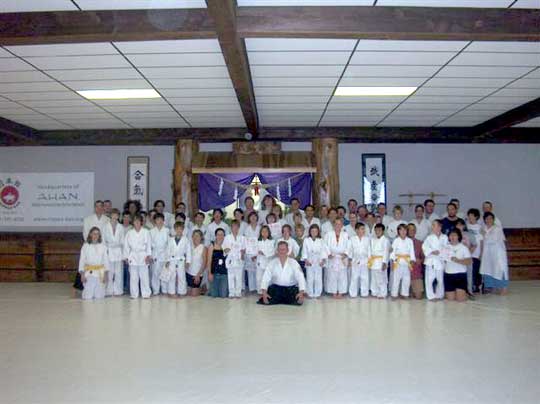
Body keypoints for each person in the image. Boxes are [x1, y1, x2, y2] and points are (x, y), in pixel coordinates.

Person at [258, 241, 306, 306]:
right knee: (267, 300)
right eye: (280, 249)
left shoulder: (293, 262)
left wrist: (301, 293)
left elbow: (300, 278)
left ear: (287, 250)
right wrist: (264, 293)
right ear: (277, 250)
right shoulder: (272, 263)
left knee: (298, 301)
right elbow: (265, 278)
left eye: (283, 249)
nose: (281, 251)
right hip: (276, 289)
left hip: (290, 289)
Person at [123, 215, 152, 299]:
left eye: (138, 221)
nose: (137, 223)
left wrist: (148, 256)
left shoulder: (146, 232)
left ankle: (146, 293)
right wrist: (126, 257)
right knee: (133, 277)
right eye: (135, 221)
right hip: (133, 255)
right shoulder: (129, 233)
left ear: (141, 222)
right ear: (133, 223)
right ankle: (134, 294)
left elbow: (149, 245)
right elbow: (126, 246)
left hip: (143, 255)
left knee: (144, 276)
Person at [480, 212, 509, 295]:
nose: (489, 220)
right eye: (487, 218)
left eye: (490, 218)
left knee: (500, 268)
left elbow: (493, 240)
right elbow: (481, 241)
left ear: (493, 219)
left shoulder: (497, 228)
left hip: (498, 253)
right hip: (487, 253)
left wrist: (485, 235)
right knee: (488, 269)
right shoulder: (483, 228)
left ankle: (504, 287)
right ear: (484, 220)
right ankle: (492, 287)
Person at [78, 227, 109, 300]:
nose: (95, 236)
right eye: (94, 234)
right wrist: (82, 275)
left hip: (100, 272)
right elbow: (82, 260)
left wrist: (106, 275)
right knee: (88, 296)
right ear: (90, 234)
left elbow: (106, 261)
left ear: (99, 236)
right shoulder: (85, 246)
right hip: (89, 273)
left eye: (97, 234)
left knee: (99, 296)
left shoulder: (103, 247)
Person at [163, 222, 191, 297]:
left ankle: (181, 292)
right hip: (172, 260)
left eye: (180, 229)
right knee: (172, 276)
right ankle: (171, 292)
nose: (179, 230)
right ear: (175, 229)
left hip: (181, 260)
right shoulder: (171, 239)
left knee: (181, 276)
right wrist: (167, 260)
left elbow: (188, 251)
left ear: (183, 230)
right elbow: (167, 251)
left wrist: (188, 262)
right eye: (177, 229)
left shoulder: (186, 240)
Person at [422, 219, 448, 301]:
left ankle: (439, 295)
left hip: (440, 260)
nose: (432, 227)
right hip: (431, 260)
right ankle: (430, 296)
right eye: (432, 225)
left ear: (440, 227)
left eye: (434, 225)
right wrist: (432, 251)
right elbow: (424, 247)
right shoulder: (429, 237)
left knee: (440, 279)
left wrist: (440, 252)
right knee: (429, 279)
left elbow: (447, 248)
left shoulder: (445, 237)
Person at [324, 218, 350, 298]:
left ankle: (341, 292)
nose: (338, 226)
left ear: (342, 225)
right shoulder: (328, 234)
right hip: (332, 257)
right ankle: (333, 292)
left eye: (339, 224)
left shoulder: (345, 234)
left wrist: (346, 254)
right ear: (333, 225)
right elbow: (325, 245)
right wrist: (328, 254)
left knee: (342, 275)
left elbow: (349, 246)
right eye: (336, 224)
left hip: (342, 257)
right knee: (332, 275)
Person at [444, 229, 472, 302]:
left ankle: (467, 294)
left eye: (455, 235)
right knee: (450, 300)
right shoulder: (445, 247)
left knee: (460, 300)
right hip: (448, 275)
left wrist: (458, 260)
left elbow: (469, 261)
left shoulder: (463, 248)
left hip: (460, 275)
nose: (452, 237)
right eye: (451, 235)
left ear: (458, 236)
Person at [390, 224, 416, 299]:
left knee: (406, 279)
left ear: (407, 231)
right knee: (396, 279)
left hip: (407, 262)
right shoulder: (396, 240)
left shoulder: (410, 241)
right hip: (397, 262)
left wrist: (412, 260)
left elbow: (412, 252)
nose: (403, 231)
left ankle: (405, 294)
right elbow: (392, 252)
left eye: (404, 230)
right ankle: (394, 294)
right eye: (401, 230)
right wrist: (392, 262)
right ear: (398, 231)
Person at [103, 209, 125, 296]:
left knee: (118, 272)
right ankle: (108, 290)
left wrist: (124, 255)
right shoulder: (105, 227)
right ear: (110, 215)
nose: (115, 216)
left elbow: (123, 241)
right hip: (109, 250)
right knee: (110, 272)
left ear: (118, 216)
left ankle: (118, 291)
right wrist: (105, 252)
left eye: (117, 215)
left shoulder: (121, 227)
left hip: (118, 251)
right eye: (113, 215)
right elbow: (103, 241)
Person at [301, 224, 327, 298]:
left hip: (318, 260)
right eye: (312, 231)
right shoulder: (306, 240)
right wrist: (306, 260)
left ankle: (318, 293)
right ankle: (310, 293)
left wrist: (323, 260)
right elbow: (304, 250)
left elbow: (324, 251)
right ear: (310, 231)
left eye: (316, 231)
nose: (314, 232)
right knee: (310, 278)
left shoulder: (321, 240)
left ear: (318, 232)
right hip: (309, 260)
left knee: (318, 278)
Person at [223, 220, 246, 298]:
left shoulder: (242, 238)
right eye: (233, 226)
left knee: (239, 277)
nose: (235, 228)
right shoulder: (227, 237)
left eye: (237, 227)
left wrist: (243, 253)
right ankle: (231, 292)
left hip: (239, 259)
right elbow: (224, 248)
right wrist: (226, 250)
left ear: (239, 228)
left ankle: (238, 292)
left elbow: (244, 248)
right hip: (230, 259)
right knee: (231, 277)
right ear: (231, 228)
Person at [348, 222, 370, 298]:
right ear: (356, 230)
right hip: (355, 260)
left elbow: (369, 250)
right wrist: (350, 260)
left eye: (364, 229)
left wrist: (370, 260)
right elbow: (349, 250)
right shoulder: (352, 239)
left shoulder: (367, 239)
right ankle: (353, 293)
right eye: (362, 229)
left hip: (365, 260)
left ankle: (364, 293)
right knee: (354, 277)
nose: (363, 230)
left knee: (365, 277)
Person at [149, 213, 170, 295]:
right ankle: (156, 290)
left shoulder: (167, 231)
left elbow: (169, 245)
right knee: (155, 273)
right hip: (155, 253)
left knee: (164, 272)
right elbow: (149, 246)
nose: (159, 221)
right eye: (157, 219)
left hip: (165, 253)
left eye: (161, 219)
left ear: (163, 221)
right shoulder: (151, 231)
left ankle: (164, 290)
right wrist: (150, 256)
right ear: (155, 221)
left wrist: (168, 258)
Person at [456, 218, 477, 296]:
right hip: (457, 259)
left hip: (467, 259)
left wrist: (469, 253)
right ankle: (459, 291)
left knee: (469, 275)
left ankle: (470, 291)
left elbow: (474, 245)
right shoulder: (453, 234)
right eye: (457, 225)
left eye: (461, 225)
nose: (459, 226)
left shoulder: (469, 234)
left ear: (464, 226)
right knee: (458, 275)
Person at [369, 224, 390, 298]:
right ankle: (375, 292)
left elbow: (386, 252)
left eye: (379, 230)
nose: (377, 232)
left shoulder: (385, 240)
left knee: (381, 278)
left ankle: (383, 293)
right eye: (376, 230)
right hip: (373, 261)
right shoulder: (372, 239)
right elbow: (370, 251)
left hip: (381, 261)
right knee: (374, 277)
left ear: (383, 231)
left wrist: (384, 262)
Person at [207, 228, 229, 298]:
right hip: (214, 273)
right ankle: (210, 290)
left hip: (224, 273)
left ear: (224, 236)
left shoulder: (227, 246)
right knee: (214, 295)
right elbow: (209, 261)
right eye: (218, 235)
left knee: (223, 295)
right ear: (215, 236)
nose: (220, 236)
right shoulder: (212, 246)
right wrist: (210, 274)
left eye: (222, 235)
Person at [467, 208, 483, 293]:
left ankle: (477, 285)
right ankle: (470, 285)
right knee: (470, 270)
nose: (469, 218)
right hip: (469, 252)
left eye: (471, 216)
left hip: (477, 252)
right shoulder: (466, 226)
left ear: (476, 217)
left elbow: (481, 241)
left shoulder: (480, 227)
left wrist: (481, 253)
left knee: (477, 270)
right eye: (468, 216)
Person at [244, 212, 260, 293]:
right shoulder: (247, 228)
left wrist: (257, 253)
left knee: (258, 271)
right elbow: (246, 240)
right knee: (250, 271)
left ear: (257, 218)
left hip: (258, 251)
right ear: (249, 218)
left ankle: (258, 288)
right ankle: (251, 288)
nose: (253, 218)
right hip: (249, 252)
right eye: (251, 217)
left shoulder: (260, 228)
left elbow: (261, 240)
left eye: (254, 216)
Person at [407, 223, 425, 300]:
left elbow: (424, 259)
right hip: (404, 272)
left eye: (413, 230)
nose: (412, 231)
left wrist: (420, 260)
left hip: (416, 273)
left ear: (415, 231)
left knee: (418, 297)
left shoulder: (420, 243)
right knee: (403, 297)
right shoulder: (400, 242)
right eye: (410, 229)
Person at [256, 225, 275, 293]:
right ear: (260, 233)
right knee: (259, 278)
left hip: (268, 261)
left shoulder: (272, 241)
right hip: (259, 262)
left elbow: (273, 252)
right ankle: (260, 291)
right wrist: (255, 254)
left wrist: (264, 253)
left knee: (267, 278)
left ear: (269, 233)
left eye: (266, 231)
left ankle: (267, 291)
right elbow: (255, 250)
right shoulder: (258, 241)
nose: (264, 233)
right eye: (263, 231)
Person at [187, 230, 206, 296]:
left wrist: (198, 275)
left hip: (197, 274)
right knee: (187, 294)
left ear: (201, 237)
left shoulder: (203, 248)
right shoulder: (189, 246)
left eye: (197, 236)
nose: (195, 237)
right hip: (188, 273)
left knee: (194, 295)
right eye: (194, 236)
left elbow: (204, 263)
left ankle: (202, 289)